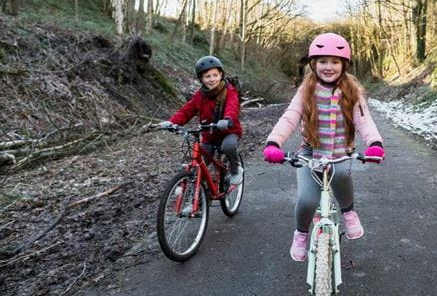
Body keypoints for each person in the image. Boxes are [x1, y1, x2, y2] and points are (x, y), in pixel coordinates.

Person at [263, 32, 385, 262]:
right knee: (307, 200)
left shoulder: (352, 91)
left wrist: (375, 144)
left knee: (341, 174)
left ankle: (348, 211)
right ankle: (300, 234)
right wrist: (274, 143)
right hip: (310, 153)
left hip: (341, 152)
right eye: (322, 61)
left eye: (335, 62)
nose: (328, 67)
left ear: (344, 65)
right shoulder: (306, 90)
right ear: (313, 64)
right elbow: (290, 117)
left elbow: (364, 120)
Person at [159, 55, 244, 184]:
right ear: (201, 79)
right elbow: (187, 110)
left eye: (215, 75)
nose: (212, 79)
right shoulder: (200, 95)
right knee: (200, 164)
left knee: (228, 147)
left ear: (221, 75)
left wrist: (227, 119)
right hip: (209, 135)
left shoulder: (230, 91)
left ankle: (236, 169)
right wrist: (172, 122)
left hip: (229, 131)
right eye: (207, 76)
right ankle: (199, 197)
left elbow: (232, 107)